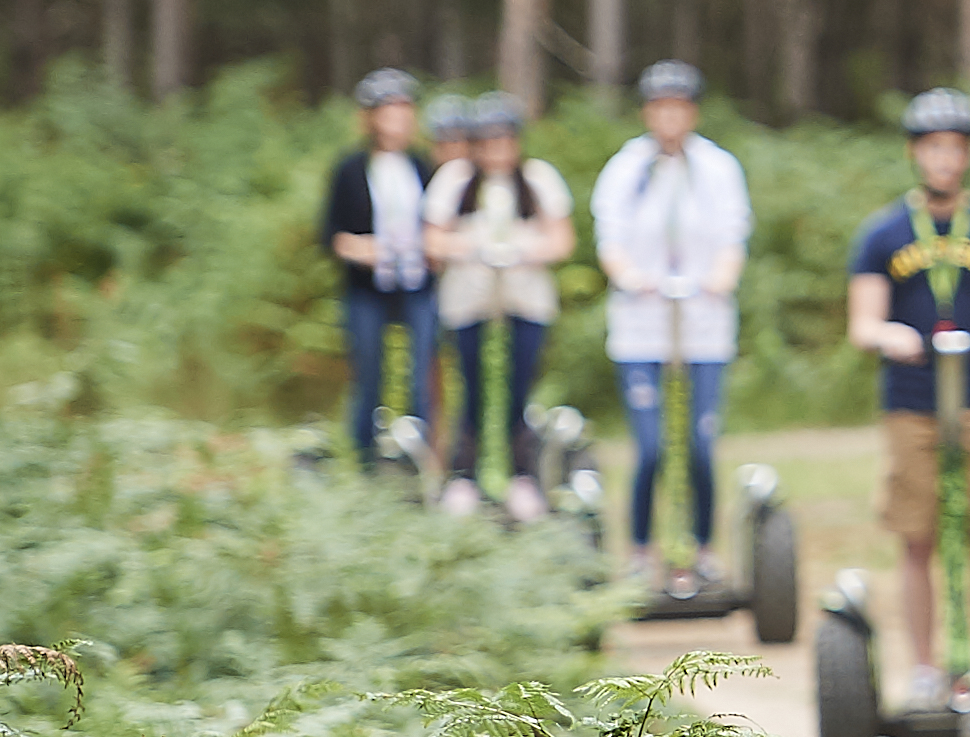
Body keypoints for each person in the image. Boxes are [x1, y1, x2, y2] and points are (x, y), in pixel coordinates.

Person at [847, 88, 970, 701]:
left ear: (969, 155)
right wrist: (890, 335)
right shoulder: (882, 234)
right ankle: (926, 667)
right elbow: (863, 323)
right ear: (914, 153)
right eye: (933, 147)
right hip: (912, 401)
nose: (944, 160)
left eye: (955, 148)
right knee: (916, 532)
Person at [593, 60, 752, 577]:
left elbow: (733, 238)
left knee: (702, 444)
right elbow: (610, 240)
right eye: (660, 107)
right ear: (647, 112)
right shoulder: (625, 168)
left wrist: (720, 278)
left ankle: (703, 547)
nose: (669, 117)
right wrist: (632, 277)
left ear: (693, 112)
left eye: (679, 107)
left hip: (703, 325)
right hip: (644, 325)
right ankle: (640, 549)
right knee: (651, 445)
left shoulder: (718, 167)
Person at [427, 93, 576, 521]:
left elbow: (561, 239)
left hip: (524, 301)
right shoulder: (456, 180)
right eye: (487, 141)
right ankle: (463, 476)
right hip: (469, 302)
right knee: (471, 390)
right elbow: (432, 240)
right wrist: (473, 248)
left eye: (503, 140)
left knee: (518, 391)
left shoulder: (537, 179)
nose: (496, 150)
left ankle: (521, 476)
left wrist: (522, 252)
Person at [319, 67, 443, 476]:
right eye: (390, 111)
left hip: (417, 283)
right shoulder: (350, 169)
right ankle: (364, 464)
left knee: (420, 373)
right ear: (370, 117)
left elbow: (440, 224)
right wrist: (362, 249)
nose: (399, 120)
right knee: (367, 373)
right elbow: (330, 234)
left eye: (404, 111)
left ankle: (418, 460)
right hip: (366, 287)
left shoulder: (423, 166)